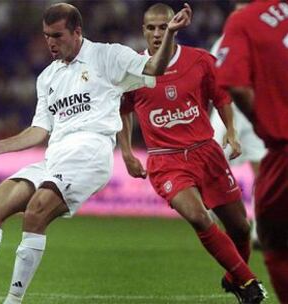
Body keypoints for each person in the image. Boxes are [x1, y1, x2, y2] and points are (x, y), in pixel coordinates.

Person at [0, 3, 192, 304]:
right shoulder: (47, 78)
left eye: (57, 35)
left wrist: (170, 33)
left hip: (91, 151)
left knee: (37, 210)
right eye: (46, 35)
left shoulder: (108, 56)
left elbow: (155, 68)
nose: (50, 42)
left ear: (77, 33)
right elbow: (39, 130)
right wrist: (1, 146)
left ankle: (12, 301)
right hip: (55, 156)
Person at [117, 3, 267, 304]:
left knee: (240, 227)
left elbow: (221, 96)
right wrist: (127, 153)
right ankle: (249, 282)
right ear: (143, 31)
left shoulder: (200, 60)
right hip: (166, 159)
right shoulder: (132, 69)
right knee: (199, 217)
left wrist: (232, 132)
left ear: (173, 26)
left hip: (205, 152)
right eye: (152, 28)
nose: (158, 33)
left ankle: (232, 277)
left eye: (163, 26)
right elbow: (122, 111)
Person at [215, 0, 288, 302]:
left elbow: (232, 84)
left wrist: (266, 123)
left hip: (280, 141)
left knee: (277, 241)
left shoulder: (244, 22)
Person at [209, 1, 267, 250]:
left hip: (255, 109)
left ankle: (259, 231)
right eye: (237, 12)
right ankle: (209, 219)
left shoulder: (264, 42)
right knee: (209, 165)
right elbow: (211, 78)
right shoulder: (224, 41)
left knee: (264, 173)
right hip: (227, 109)